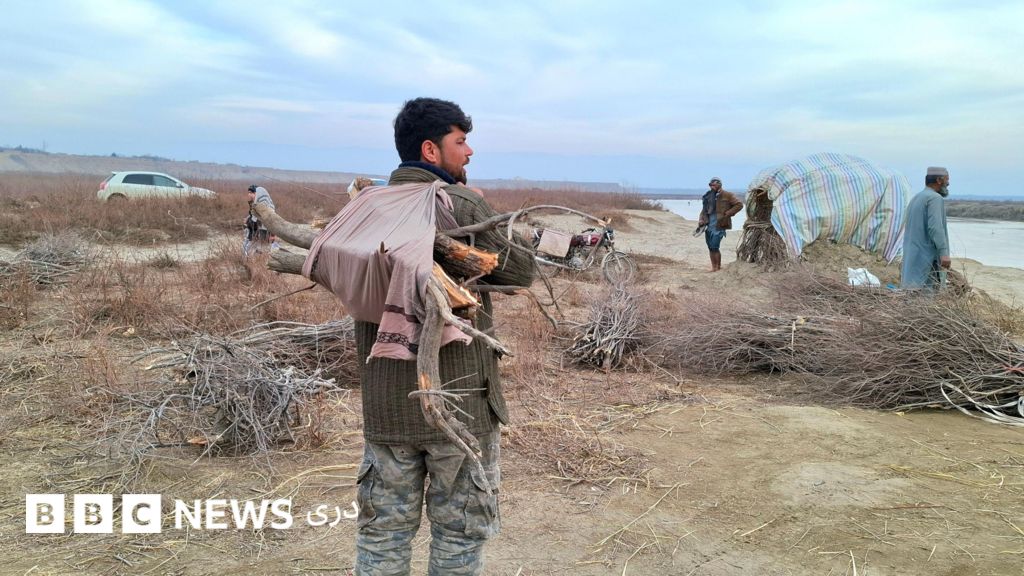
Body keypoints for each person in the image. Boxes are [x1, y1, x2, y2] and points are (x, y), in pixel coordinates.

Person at [353, 97, 534, 575]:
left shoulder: (365, 207)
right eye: (461, 141)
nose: (469, 151)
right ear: (430, 151)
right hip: (462, 407)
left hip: (387, 408)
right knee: (459, 536)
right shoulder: (460, 202)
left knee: (381, 535)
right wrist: (501, 221)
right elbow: (520, 272)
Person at [901, 167, 951, 290]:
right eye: (947, 180)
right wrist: (944, 253)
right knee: (927, 297)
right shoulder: (935, 198)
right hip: (927, 261)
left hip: (912, 259)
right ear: (939, 180)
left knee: (913, 294)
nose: (948, 183)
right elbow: (935, 228)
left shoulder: (916, 198)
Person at [697, 177, 744, 271]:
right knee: (710, 247)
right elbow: (704, 210)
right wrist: (701, 219)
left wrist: (728, 213)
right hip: (708, 225)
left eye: (713, 185)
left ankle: (718, 267)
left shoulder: (727, 195)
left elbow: (739, 205)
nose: (712, 187)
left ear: (719, 184)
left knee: (715, 246)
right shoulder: (708, 195)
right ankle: (714, 267)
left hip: (720, 225)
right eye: (710, 185)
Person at [243, 185, 278, 255]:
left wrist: (273, 235)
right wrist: (248, 220)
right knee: (249, 253)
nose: (249, 194)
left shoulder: (266, 206)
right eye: (248, 192)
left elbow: (271, 222)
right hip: (254, 235)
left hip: (263, 235)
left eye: (251, 193)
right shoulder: (255, 204)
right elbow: (253, 220)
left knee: (262, 253)